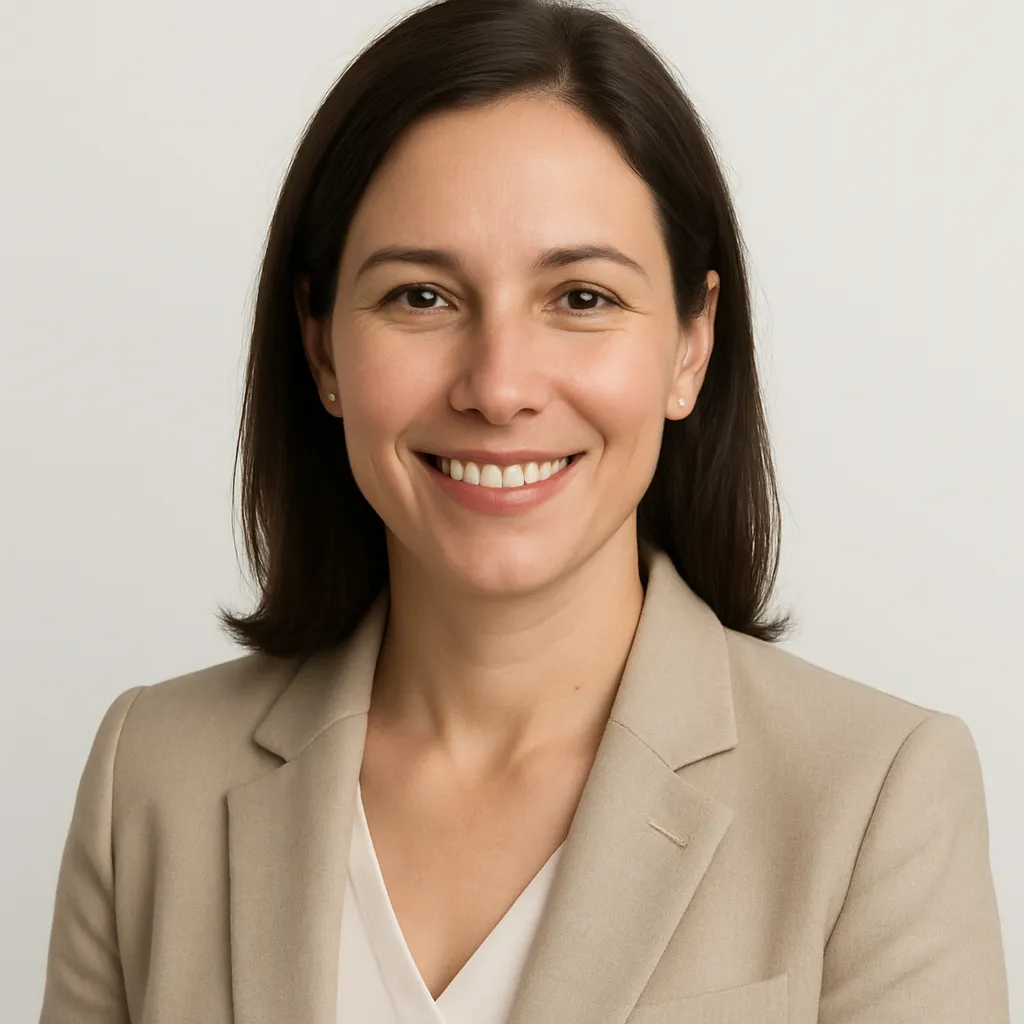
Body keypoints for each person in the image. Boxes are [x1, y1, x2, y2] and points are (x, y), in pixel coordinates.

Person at [39, 0, 1010, 1021]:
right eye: (421, 296)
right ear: (322, 347)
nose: (498, 387)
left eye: (581, 297)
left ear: (690, 343)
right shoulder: (148, 775)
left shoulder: (871, 796)